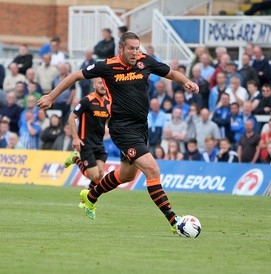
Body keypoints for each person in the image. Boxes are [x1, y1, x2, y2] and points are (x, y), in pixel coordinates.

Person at [37, 32, 199, 234]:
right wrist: (51, 96)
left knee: (127, 175)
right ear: (121, 48)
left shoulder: (144, 61)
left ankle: (91, 197)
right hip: (122, 128)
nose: (134, 52)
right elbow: (75, 76)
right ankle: (175, 221)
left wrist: (186, 82)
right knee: (152, 170)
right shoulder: (106, 66)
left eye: (137, 48)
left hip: (141, 127)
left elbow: (171, 73)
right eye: (131, 48)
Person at [64, 77, 110, 200]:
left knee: (100, 175)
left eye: (104, 83)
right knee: (93, 175)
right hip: (86, 143)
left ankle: (88, 200)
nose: (103, 86)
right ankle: (75, 158)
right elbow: (71, 117)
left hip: (99, 143)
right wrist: (75, 138)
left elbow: (111, 122)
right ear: (94, 85)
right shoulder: (87, 100)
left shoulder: (108, 103)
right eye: (100, 83)